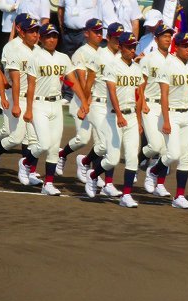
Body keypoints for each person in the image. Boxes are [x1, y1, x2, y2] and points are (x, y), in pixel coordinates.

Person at [144, 31, 188, 209]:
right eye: (185, 45)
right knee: (172, 153)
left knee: (185, 157)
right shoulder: (168, 65)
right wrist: (166, 120)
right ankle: (153, 171)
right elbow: (164, 95)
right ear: (177, 47)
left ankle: (179, 196)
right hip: (171, 113)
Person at [22, 23, 87, 196]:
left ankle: (48, 183)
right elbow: (30, 85)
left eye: (55, 36)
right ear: (41, 39)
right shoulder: (35, 56)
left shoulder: (63, 58)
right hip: (38, 104)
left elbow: (71, 81)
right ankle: (26, 162)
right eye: (48, 36)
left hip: (56, 105)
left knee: (53, 147)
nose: (52, 39)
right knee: (43, 143)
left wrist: (84, 101)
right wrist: (28, 110)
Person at [84, 32, 145, 207]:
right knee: (112, 159)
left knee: (133, 157)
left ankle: (126, 195)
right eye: (129, 46)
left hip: (132, 116)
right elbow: (111, 92)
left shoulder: (136, 68)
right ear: (121, 47)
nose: (133, 50)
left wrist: (139, 121)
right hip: (113, 116)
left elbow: (139, 95)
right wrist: (118, 114)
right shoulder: (112, 66)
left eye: (134, 46)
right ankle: (93, 175)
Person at [77, 22, 125, 197]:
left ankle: (100, 175)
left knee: (112, 144)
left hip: (113, 105)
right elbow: (88, 83)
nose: (119, 41)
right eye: (117, 38)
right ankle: (91, 170)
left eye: (122, 38)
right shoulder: (99, 56)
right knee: (105, 142)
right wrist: (85, 104)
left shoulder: (123, 58)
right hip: (97, 104)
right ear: (109, 37)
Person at [0, 15, 42, 185]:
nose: (36, 34)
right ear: (20, 30)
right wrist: (10, 101)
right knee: (14, 137)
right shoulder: (12, 48)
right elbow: (11, 79)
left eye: (37, 31)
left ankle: (29, 171)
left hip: (34, 99)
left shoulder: (38, 51)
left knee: (34, 138)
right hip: (16, 98)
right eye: (31, 31)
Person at [56, 18, 104, 178]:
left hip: (98, 103)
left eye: (100, 31)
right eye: (95, 31)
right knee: (83, 139)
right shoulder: (80, 53)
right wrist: (86, 102)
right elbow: (81, 81)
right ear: (86, 33)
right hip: (81, 101)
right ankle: (62, 154)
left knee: (100, 141)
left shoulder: (104, 53)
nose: (99, 34)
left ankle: (94, 175)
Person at [138, 22, 175, 197]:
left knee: (167, 149)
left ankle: (159, 183)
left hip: (168, 107)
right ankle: (138, 160)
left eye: (170, 36)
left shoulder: (174, 60)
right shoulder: (148, 58)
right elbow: (141, 84)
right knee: (154, 145)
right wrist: (142, 102)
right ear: (156, 38)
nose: (168, 39)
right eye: (164, 36)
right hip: (150, 105)